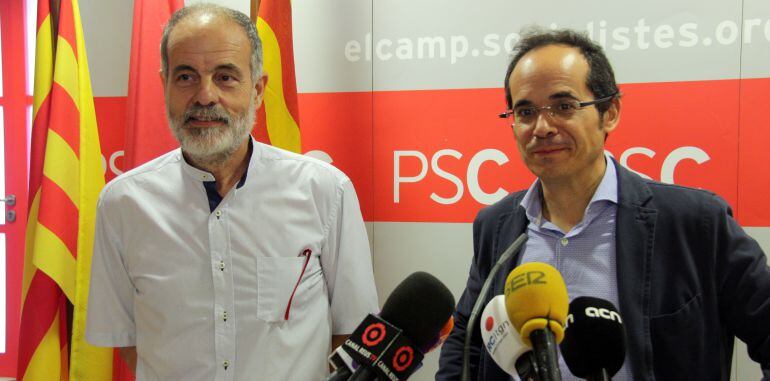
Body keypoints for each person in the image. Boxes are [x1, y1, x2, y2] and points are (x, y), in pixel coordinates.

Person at [436, 27, 770, 380]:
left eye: (563, 106)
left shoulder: (696, 223)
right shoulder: (498, 225)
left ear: (609, 112)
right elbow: (467, 342)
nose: (542, 127)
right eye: (525, 112)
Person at [85, 4, 378, 380]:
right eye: (186, 77)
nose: (205, 96)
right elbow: (127, 341)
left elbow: (352, 331)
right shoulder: (123, 204)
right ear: (165, 85)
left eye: (225, 77)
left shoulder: (325, 191)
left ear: (257, 90)